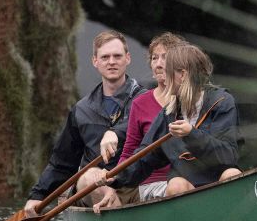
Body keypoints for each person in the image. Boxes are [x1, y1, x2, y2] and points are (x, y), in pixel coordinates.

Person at [95, 43, 242, 211]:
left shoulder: (222, 102)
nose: (162, 77)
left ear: (183, 75)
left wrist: (191, 134)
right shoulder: (169, 113)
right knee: (176, 185)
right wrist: (115, 177)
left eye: (167, 72)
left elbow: (229, 156)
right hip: (186, 182)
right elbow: (145, 157)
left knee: (232, 175)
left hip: (217, 177)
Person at [22, 30, 145, 216]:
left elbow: (144, 123)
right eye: (105, 57)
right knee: (90, 177)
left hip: (133, 185)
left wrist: (115, 132)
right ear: (95, 61)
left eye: (117, 56)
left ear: (127, 58)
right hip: (93, 188)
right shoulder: (81, 110)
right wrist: (37, 195)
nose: (111, 61)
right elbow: (62, 163)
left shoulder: (145, 99)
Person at [108, 32, 188, 205]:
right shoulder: (140, 103)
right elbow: (129, 150)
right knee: (178, 187)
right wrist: (115, 186)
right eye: (154, 58)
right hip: (152, 185)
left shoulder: (193, 100)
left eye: (165, 58)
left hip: (191, 180)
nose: (158, 64)